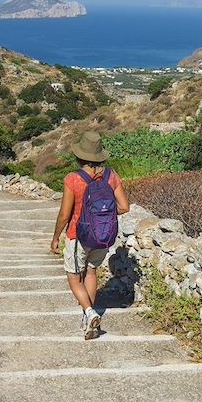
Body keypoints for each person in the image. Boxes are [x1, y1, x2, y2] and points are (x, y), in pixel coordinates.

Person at [50, 131, 129, 340]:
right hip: (103, 234)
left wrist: (56, 236)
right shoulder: (111, 175)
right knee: (92, 272)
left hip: (78, 235)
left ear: (79, 155)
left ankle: (89, 312)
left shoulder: (72, 179)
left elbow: (64, 214)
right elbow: (124, 206)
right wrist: (103, 216)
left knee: (74, 277)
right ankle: (89, 319)